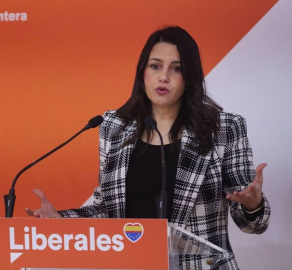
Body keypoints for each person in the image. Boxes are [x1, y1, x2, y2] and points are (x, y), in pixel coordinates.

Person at [25, 26, 270, 269]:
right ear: (143, 71)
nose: (163, 77)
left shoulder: (224, 128)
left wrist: (253, 203)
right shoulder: (114, 127)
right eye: (155, 66)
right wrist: (60, 220)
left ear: (191, 76)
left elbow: (252, 224)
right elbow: (107, 209)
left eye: (176, 68)